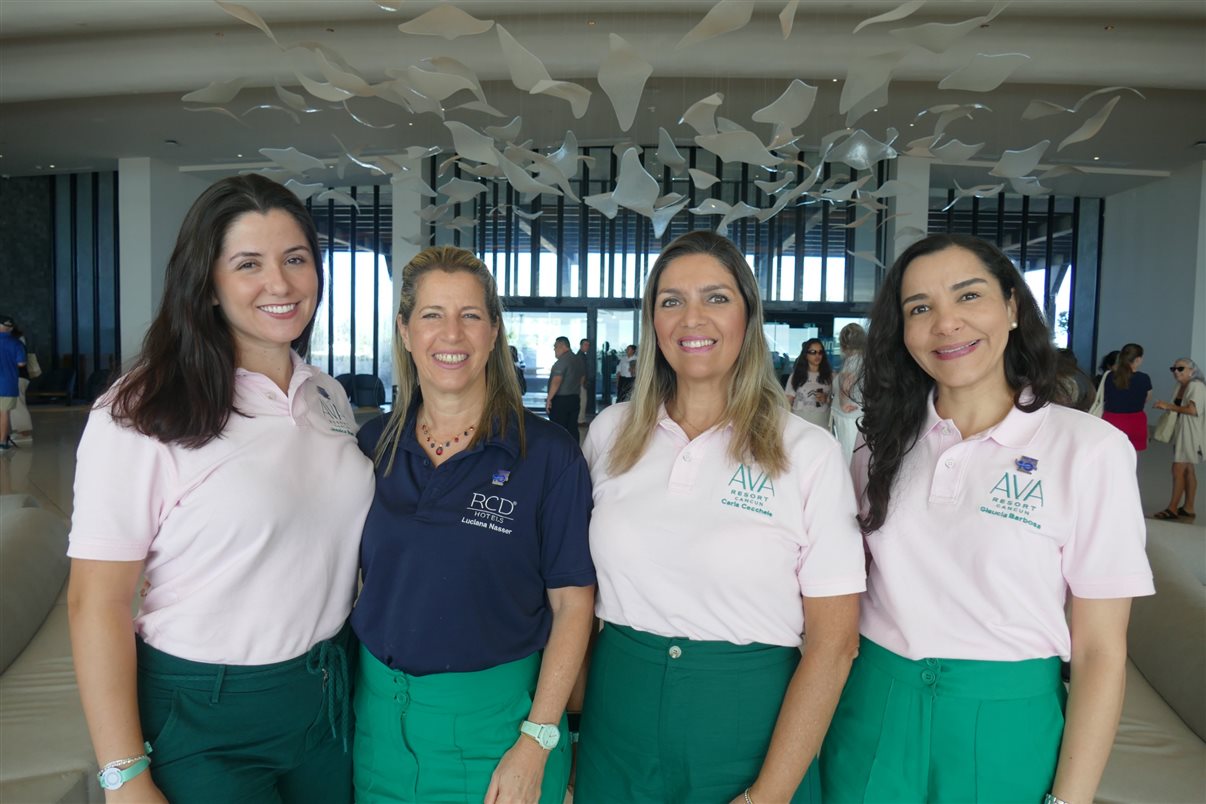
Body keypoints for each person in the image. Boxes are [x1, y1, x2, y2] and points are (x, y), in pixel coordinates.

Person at [66, 175, 374, 803]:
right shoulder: (138, 410)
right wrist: (123, 778)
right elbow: (95, 604)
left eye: (295, 259)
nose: (280, 284)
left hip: (327, 696)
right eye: (248, 264)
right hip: (204, 710)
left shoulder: (326, 396)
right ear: (206, 284)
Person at [820, 233, 1154, 804]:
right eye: (919, 308)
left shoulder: (1090, 449)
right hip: (873, 707)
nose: (946, 324)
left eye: (968, 296)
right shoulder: (875, 449)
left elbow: (1101, 649)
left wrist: (1070, 799)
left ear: (1012, 307)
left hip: (1008, 720)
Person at [575, 231, 865, 803]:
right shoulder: (610, 432)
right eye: (671, 300)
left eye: (717, 298)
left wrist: (769, 795)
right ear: (652, 322)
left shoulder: (805, 451)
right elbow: (574, 596)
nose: (692, 318)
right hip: (617, 723)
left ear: (748, 317)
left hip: (750, 731)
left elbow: (835, 644)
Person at [353, 246, 595, 803]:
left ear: (493, 333)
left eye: (470, 316)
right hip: (377, 727)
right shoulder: (371, 445)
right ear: (406, 332)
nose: (452, 335)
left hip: (499, 728)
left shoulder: (547, 455)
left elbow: (572, 605)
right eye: (432, 315)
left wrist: (536, 741)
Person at [1152, 357, 1204, 520]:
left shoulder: (1196, 386)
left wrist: (1167, 406)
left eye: (1180, 369)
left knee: (1178, 468)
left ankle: (1172, 508)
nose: (1176, 372)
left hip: (1191, 433)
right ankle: (1188, 507)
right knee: (1188, 469)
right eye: (1173, 369)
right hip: (1184, 431)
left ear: (1192, 371)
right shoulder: (1183, 385)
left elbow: (1193, 410)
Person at [1102, 342, 1152, 451]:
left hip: (1112, 419)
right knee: (1133, 456)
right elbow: (1147, 398)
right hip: (1136, 420)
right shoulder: (1144, 378)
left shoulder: (1110, 376)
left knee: (1112, 453)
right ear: (1138, 359)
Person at [830, 323, 866, 463]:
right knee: (854, 455)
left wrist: (843, 403)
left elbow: (847, 380)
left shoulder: (853, 360)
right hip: (855, 414)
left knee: (849, 454)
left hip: (848, 415)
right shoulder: (862, 359)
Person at [785, 338, 833, 429]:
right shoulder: (796, 376)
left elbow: (835, 403)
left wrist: (826, 399)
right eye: (813, 352)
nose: (817, 355)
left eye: (820, 352)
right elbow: (788, 402)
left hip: (821, 424)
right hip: (800, 423)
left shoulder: (829, 376)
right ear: (806, 355)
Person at [0, 314, 27, 451]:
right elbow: (21, 363)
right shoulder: (17, 343)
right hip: (7, 383)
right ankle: (2, 442)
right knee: (4, 413)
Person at [546, 335, 583, 436]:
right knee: (572, 428)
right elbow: (582, 378)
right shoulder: (577, 360)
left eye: (555, 346)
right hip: (575, 398)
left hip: (561, 401)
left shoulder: (562, 361)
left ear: (562, 346)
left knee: (559, 429)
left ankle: (559, 451)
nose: (554, 349)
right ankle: (574, 450)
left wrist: (549, 399)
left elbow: (557, 381)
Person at [577, 338, 593, 424]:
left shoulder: (582, 355)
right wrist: (581, 384)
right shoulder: (580, 356)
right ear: (581, 345)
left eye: (588, 345)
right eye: (585, 345)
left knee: (583, 401)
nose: (587, 347)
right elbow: (581, 371)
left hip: (581, 382)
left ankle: (581, 419)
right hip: (581, 383)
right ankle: (580, 420)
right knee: (582, 401)